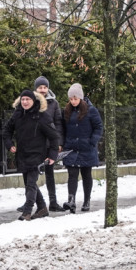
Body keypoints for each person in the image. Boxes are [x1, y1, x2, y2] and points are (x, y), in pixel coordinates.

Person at [4, 88, 60, 220]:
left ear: (33, 101)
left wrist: (52, 155)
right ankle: (42, 208)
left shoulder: (42, 116)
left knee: (30, 184)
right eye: (22, 99)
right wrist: (9, 144)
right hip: (22, 154)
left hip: (38, 155)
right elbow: (7, 130)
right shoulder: (17, 115)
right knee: (30, 184)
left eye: (27, 99)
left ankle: (27, 212)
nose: (25, 102)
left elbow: (54, 137)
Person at [61, 83, 103, 213]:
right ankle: (71, 200)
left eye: (75, 98)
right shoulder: (67, 111)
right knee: (72, 175)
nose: (73, 101)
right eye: (71, 99)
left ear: (80, 97)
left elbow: (98, 126)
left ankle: (86, 200)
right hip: (71, 148)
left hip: (86, 148)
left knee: (86, 175)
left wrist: (92, 141)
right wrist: (63, 143)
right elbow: (63, 128)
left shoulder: (91, 110)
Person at [33, 76, 65, 213]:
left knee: (50, 173)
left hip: (49, 143)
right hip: (34, 143)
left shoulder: (54, 103)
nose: (43, 90)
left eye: (45, 87)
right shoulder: (31, 101)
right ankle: (31, 200)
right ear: (36, 88)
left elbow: (58, 123)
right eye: (40, 87)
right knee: (31, 174)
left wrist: (58, 142)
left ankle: (53, 201)